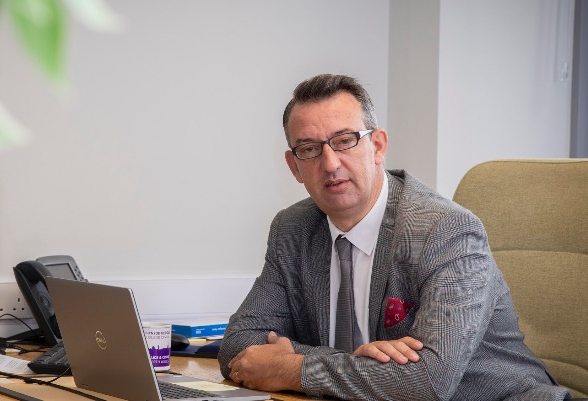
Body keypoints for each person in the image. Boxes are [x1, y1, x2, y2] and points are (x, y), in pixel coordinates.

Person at [217, 74, 570, 400]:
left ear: (378, 146)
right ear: (294, 166)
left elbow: (428, 381)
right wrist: (352, 363)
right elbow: (238, 346)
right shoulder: (293, 229)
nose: (330, 163)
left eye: (345, 141)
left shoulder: (446, 230)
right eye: (309, 149)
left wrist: (294, 368)